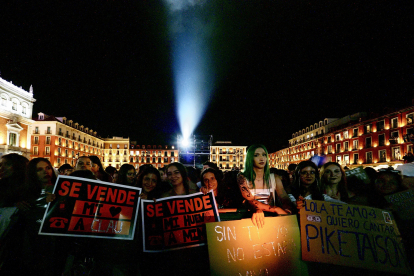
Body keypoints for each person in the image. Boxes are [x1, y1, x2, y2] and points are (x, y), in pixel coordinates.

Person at [238, 144, 291, 228]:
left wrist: (288, 209)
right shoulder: (242, 177)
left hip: (271, 221)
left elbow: (284, 197)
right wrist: (276, 209)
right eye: (256, 155)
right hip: (251, 220)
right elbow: (249, 200)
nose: (261, 158)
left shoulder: (274, 178)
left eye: (264, 155)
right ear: (250, 158)